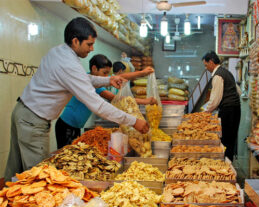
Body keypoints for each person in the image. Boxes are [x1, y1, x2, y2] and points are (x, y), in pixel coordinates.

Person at [4, 17, 148, 182]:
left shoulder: (60, 53)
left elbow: (84, 79)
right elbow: (97, 105)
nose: (92, 49)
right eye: (89, 44)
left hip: (23, 112)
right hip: (33, 120)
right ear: (75, 41)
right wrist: (132, 121)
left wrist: (107, 80)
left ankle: (5, 201)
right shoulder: (67, 63)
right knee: (40, 178)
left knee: (14, 170)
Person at [55, 54, 156, 149]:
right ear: (94, 69)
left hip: (75, 125)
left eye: (108, 73)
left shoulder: (95, 80)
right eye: (104, 73)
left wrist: (142, 73)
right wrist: (144, 101)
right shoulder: (88, 83)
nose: (106, 77)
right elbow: (114, 98)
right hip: (66, 125)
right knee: (68, 155)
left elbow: (118, 78)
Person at [202, 51, 241, 161]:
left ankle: (225, 166)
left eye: (206, 65)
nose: (206, 68)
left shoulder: (218, 75)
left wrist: (205, 113)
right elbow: (238, 91)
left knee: (225, 139)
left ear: (211, 62)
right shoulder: (226, 72)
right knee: (231, 138)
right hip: (235, 109)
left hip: (228, 110)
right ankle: (228, 163)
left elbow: (215, 99)